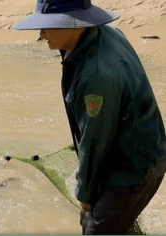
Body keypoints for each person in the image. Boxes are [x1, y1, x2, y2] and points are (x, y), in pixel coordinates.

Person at [14, 0, 166, 234]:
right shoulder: (107, 33)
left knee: (93, 226)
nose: (41, 34)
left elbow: (95, 141)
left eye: (48, 26)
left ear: (74, 24)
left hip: (133, 169)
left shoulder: (94, 76)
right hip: (147, 151)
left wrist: (85, 194)